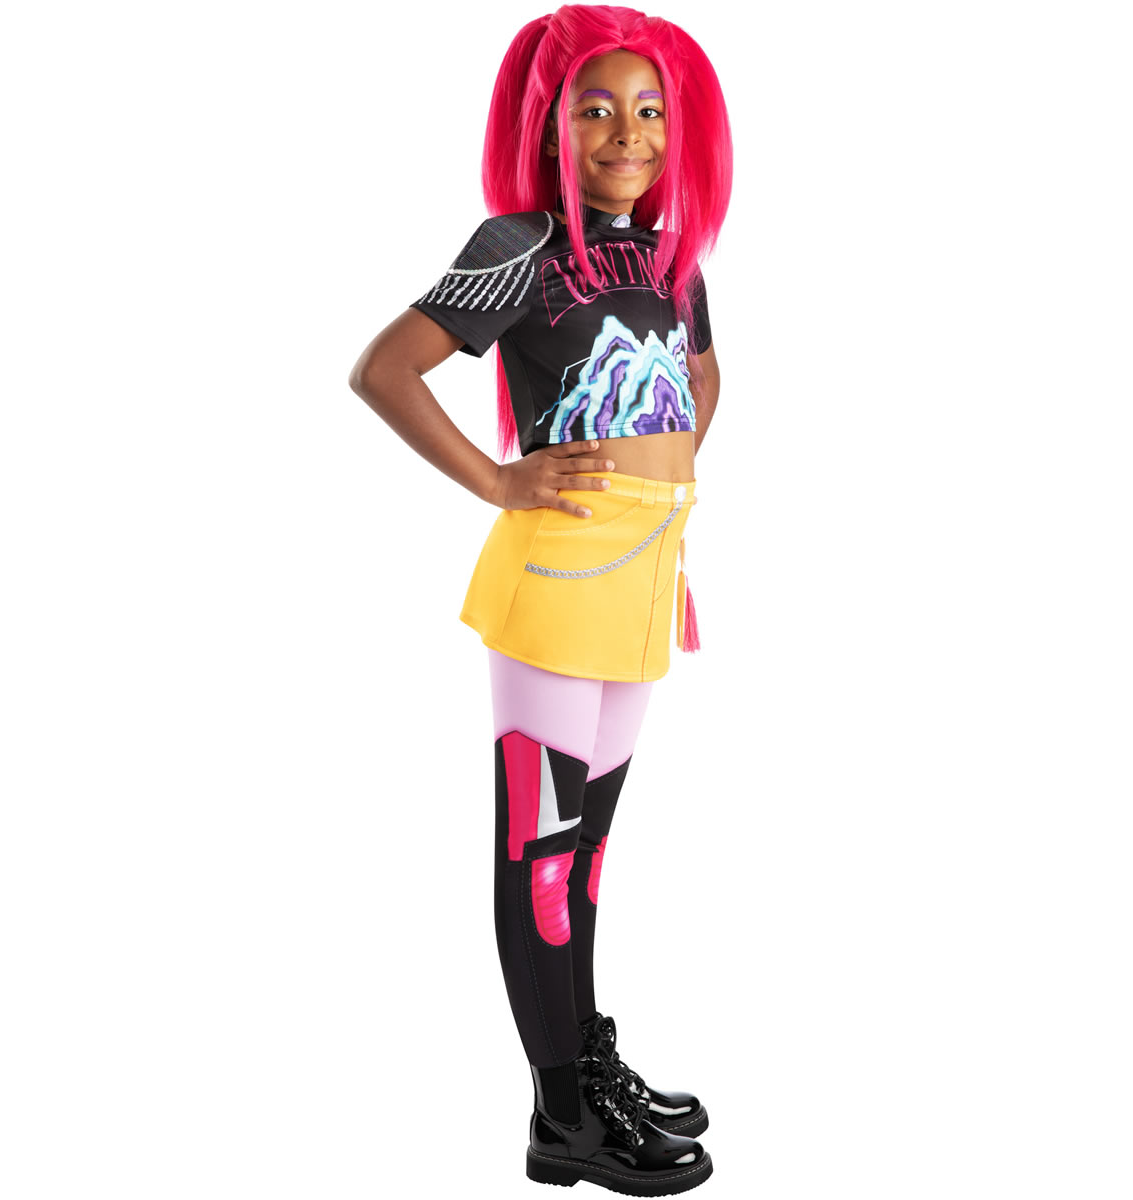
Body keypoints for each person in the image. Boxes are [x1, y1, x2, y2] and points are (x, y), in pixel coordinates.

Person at [350, 5, 731, 1192]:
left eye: (650, 109)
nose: (629, 133)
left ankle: (586, 1059)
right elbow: (384, 369)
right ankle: (562, 1115)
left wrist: (664, 497)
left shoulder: (671, 256)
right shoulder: (520, 244)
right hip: (558, 574)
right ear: (550, 125)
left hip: (645, 568)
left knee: (591, 851)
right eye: (597, 109)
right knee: (543, 851)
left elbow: (702, 374)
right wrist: (498, 478)